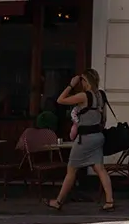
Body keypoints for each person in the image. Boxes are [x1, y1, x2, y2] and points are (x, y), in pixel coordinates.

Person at [48, 69, 114, 212]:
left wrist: (71, 85)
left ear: (86, 81)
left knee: (71, 169)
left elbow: (60, 100)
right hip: (98, 136)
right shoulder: (101, 95)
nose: (81, 83)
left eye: (82, 80)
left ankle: (58, 201)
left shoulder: (84, 96)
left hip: (85, 139)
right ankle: (109, 200)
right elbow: (104, 118)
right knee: (100, 169)